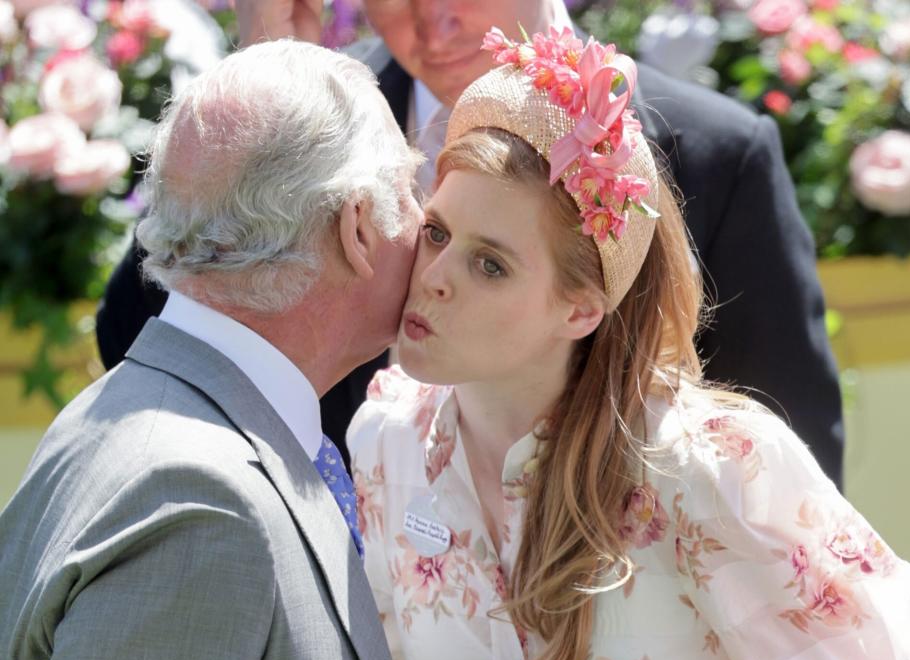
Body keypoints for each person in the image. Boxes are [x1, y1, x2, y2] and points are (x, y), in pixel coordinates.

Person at [346, 30, 910, 660]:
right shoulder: (386, 438)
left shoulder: (711, 464)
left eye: (490, 264)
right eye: (436, 233)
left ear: (580, 310)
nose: (434, 278)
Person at [95, 0, 845, 489]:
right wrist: (259, 98)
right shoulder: (315, 117)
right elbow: (137, 339)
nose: (433, 21)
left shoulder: (719, 154)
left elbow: (791, 463)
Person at [0, 40, 421, 660]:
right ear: (359, 228)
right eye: (409, 189)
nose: (426, 225)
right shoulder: (204, 503)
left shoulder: (147, 418)